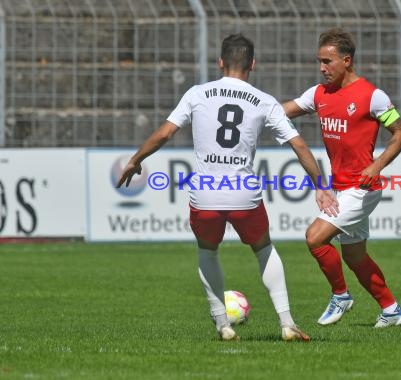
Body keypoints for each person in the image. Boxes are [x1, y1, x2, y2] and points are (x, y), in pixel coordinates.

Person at [116, 33, 338, 341]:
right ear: (253, 64)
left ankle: (222, 325)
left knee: (208, 252)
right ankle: (286, 323)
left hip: (205, 193)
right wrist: (320, 185)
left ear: (220, 62)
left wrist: (136, 159)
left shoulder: (197, 93)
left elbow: (165, 133)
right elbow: (299, 145)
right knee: (263, 249)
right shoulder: (263, 100)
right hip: (244, 193)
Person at [282, 28, 401, 328]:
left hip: (363, 187)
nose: (322, 68)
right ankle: (392, 310)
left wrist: (377, 165)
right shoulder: (318, 94)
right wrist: (253, 109)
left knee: (314, 237)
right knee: (355, 257)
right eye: (320, 61)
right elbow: (282, 111)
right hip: (341, 188)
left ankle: (341, 295)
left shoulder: (372, 96)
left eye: (328, 61)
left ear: (347, 60)